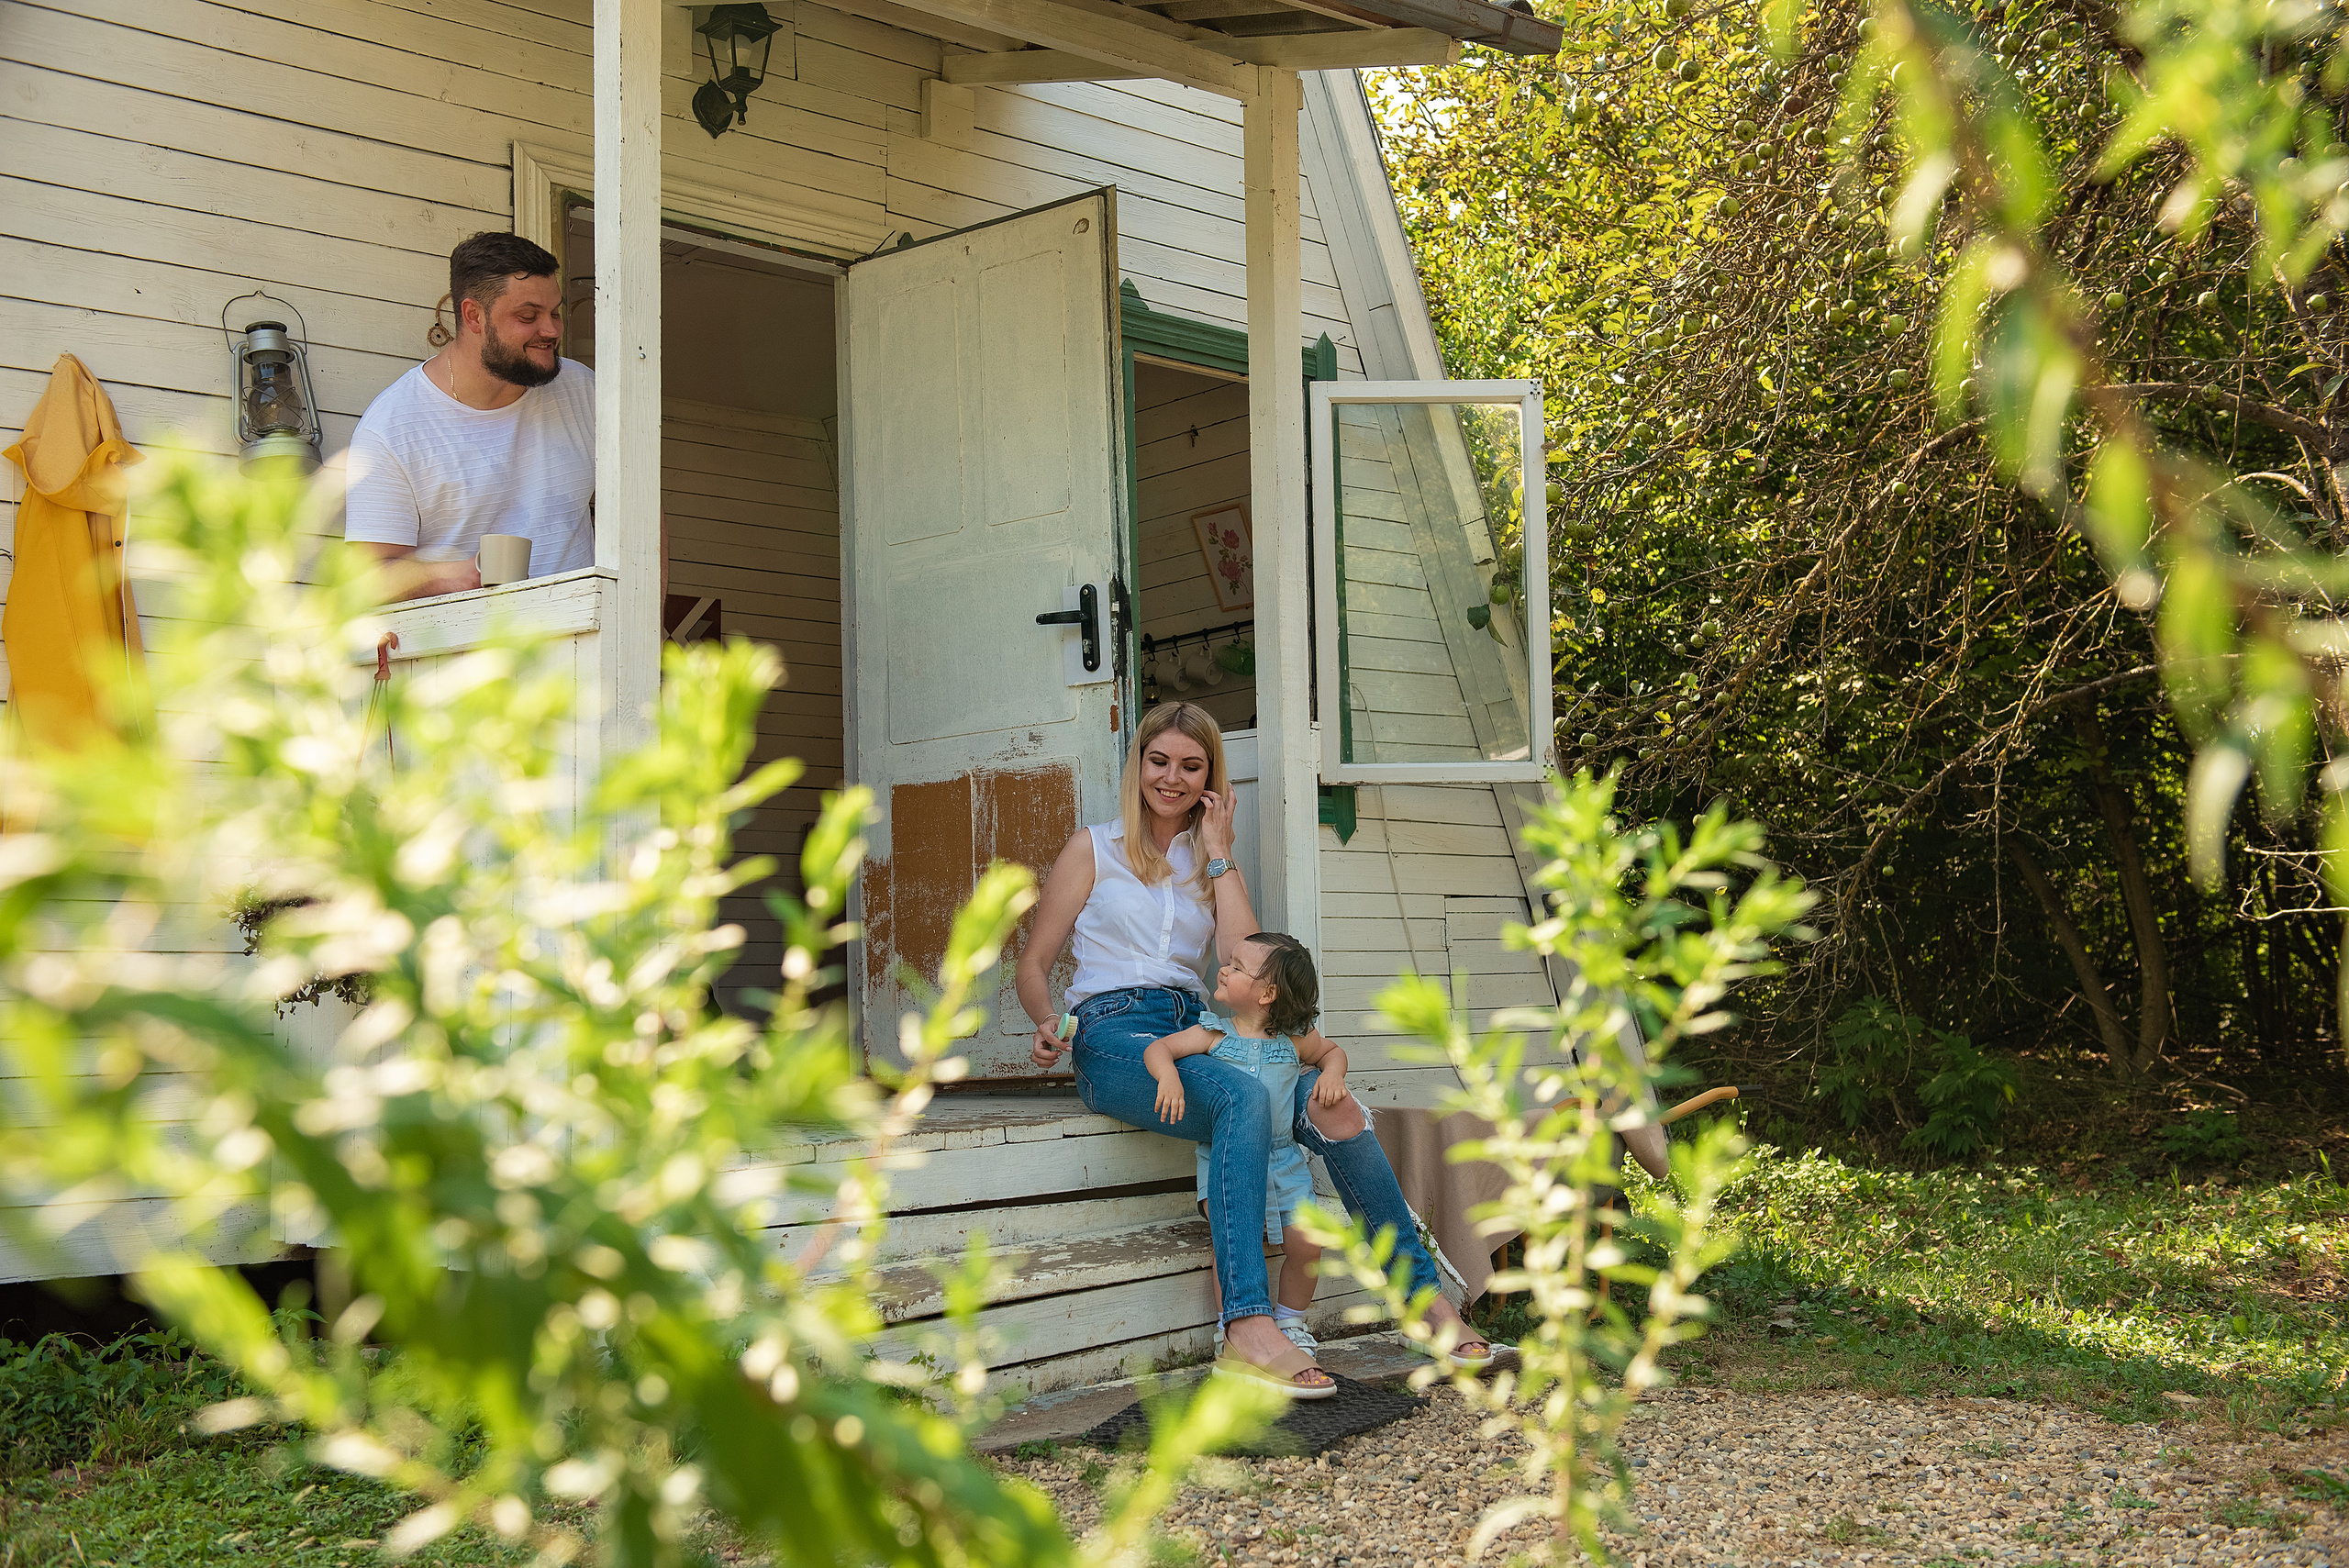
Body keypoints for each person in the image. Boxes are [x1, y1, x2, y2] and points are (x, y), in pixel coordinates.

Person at [1019, 700, 1494, 1396]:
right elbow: (1034, 963)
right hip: (1115, 1030)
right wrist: (1044, 1020)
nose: (1171, 778)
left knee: (1331, 1107)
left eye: (1190, 765)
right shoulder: (1093, 848)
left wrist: (1219, 853)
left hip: (1205, 1026)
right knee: (1241, 1094)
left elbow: (1246, 956)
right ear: (1138, 764)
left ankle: (1425, 1299)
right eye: (1159, 762)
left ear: (1211, 776)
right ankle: (1243, 1324)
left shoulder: (1204, 860)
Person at [344, 232, 595, 603]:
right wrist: (462, 575)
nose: (552, 330)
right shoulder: (393, 426)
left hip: (584, 646)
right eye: (528, 316)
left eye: (554, 312)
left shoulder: (584, 389)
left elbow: (645, 516)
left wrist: (645, 631)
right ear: (473, 315)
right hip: (462, 653)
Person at [1146, 931, 1342, 1358]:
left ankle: (1290, 1320)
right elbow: (1159, 1049)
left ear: (1268, 994)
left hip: (1285, 1160)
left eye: (1237, 967)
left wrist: (1331, 1074)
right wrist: (1170, 1077)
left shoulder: (1293, 1038)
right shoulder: (1212, 1033)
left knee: (1308, 1243)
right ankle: (1231, 1324)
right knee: (1236, 1240)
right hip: (1227, 1158)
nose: (1225, 969)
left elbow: (1332, 1052)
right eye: (1230, 962)